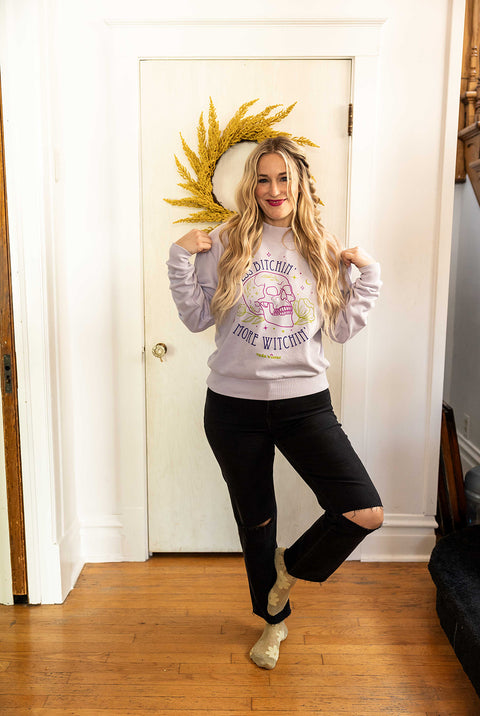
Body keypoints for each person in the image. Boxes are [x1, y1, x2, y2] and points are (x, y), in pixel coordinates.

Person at [167, 136, 383, 670]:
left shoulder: (322, 246)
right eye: (263, 178)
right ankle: (273, 623)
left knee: (363, 510)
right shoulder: (225, 240)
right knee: (257, 523)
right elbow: (196, 318)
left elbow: (339, 328)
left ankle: (289, 567)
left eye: (284, 177)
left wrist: (369, 278)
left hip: (305, 405)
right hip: (232, 409)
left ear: (301, 183)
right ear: (252, 185)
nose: (273, 189)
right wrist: (179, 258)